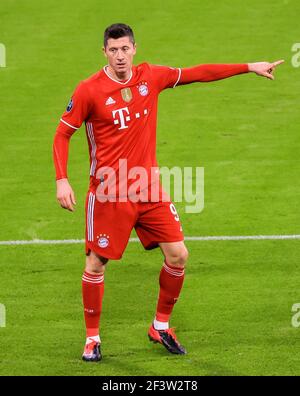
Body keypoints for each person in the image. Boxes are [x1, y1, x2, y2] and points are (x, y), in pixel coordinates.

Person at [53, 23, 284, 362]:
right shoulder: (89, 90)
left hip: (149, 189)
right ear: (104, 52)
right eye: (113, 50)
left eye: (125, 49)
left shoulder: (151, 76)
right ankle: (92, 339)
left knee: (179, 255)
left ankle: (160, 326)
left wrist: (248, 67)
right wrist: (62, 179)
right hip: (109, 193)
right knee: (96, 262)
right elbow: (62, 134)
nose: (120, 56)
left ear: (134, 49)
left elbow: (197, 73)